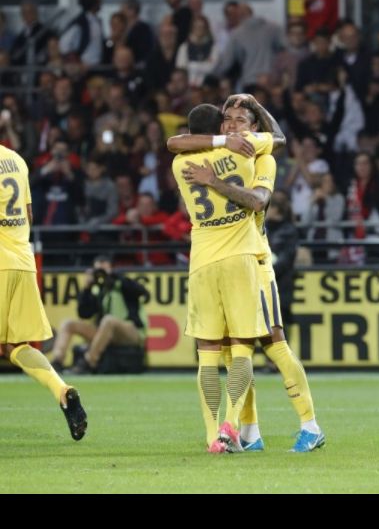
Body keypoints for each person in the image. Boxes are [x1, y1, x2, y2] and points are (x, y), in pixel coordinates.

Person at [170, 95, 325, 452]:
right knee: (231, 350)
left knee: (274, 343)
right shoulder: (233, 150)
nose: (231, 125)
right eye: (227, 119)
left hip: (255, 261)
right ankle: (250, 432)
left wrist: (213, 181)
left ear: (255, 127)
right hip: (232, 259)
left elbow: (258, 201)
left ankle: (310, 424)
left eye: (241, 120)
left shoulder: (263, 157)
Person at [170, 101, 277, 454]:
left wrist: (213, 142)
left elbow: (174, 142)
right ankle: (232, 427)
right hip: (239, 259)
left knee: (208, 355)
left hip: (201, 262)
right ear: (218, 129)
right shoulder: (246, 151)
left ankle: (210, 435)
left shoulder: (180, 164)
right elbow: (278, 138)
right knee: (243, 349)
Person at [0, 144, 87, 440]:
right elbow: (29, 215)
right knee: (17, 346)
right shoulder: (16, 161)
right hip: (23, 264)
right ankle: (62, 389)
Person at [50, 254, 149, 373]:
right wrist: (86, 289)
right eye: (98, 270)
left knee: (108, 320)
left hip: (131, 332)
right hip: (105, 333)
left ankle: (88, 362)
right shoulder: (97, 290)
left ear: (112, 269)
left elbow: (142, 292)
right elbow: (84, 313)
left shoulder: (123, 283)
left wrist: (116, 277)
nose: (101, 274)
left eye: (105, 270)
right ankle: (57, 361)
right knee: (68, 324)